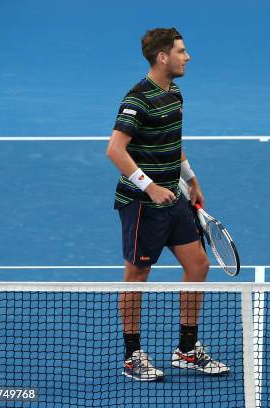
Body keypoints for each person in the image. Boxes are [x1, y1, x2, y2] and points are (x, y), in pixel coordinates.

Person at [106, 27, 229, 381]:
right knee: (137, 275)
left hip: (173, 197)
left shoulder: (175, 93)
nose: (187, 57)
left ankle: (187, 350)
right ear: (163, 57)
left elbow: (174, 142)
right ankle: (132, 356)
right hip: (142, 203)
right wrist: (149, 187)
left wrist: (191, 180)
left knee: (198, 265)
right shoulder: (137, 99)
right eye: (181, 51)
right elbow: (115, 149)